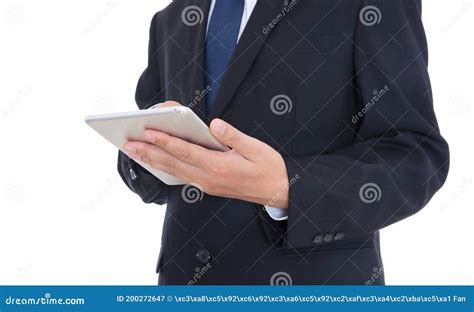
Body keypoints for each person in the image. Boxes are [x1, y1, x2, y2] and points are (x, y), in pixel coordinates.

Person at [117, 0, 449, 285]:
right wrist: (145, 153)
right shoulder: (172, 18)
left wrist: (287, 186)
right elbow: (149, 177)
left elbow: (416, 154)